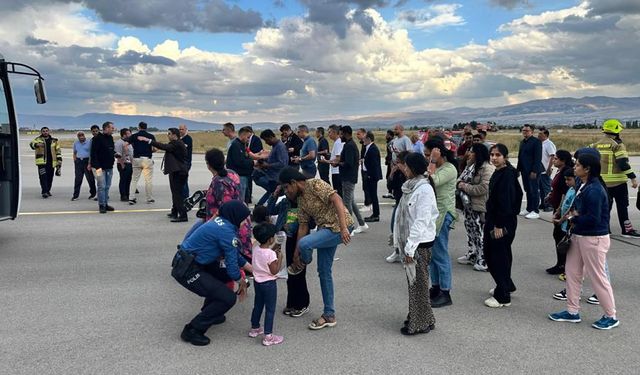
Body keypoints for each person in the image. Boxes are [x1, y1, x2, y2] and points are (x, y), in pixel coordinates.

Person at [548, 153, 619, 330]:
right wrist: (569, 216)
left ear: (587, 169)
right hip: (579, 236)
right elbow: (576, 208)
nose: (575, 167)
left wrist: (573, 218)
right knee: (572, 273)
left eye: (578, 165)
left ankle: (611, 316)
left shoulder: (594, 190)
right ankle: (572, 311)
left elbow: (593, 219)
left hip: (594, 238)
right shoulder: (583, 184)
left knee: (598, 278)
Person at [172, 201, 252, 346]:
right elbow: (232, 267)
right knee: (228, 298)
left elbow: (234, 254)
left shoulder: (222, 223)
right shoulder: (227, 232)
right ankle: (193, 330)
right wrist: (242, 281)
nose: (245, 222)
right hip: (187, 269)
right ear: (236, 217)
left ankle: (210, 311)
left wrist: (253, 269)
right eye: (244, 219)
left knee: (221, 276)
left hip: (190, 262)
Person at [281, 168, 354, 330]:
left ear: (294, 182)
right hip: (325, 230)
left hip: (339, 227)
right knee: (324, 271)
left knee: (305, 244)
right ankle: (329, 314)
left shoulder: (314, 184)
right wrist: (295, 254)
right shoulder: (301, 201)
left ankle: (305, 261)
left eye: (287, 187)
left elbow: (337, 200)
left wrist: (343, 228)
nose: (286, 192)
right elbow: (303, 226)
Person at [393, 152, 439, 335]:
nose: (403, 168)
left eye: (405, 165)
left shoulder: (424, 189)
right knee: (416, 283)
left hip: (419, 243)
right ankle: (423, 317)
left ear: (413, 168)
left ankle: (420, 323)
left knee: (418, 284)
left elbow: (421, 220)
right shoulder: (411, 186)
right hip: (412, 241)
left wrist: (410, 247)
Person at [183, 148, 253, 260]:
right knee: (190, 237)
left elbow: (227, 209)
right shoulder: (231, 174)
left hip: (223, 224)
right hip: (238, 220)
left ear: (208, 165)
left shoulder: (219, 182)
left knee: (191, 241)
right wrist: (206, 193)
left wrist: (209, 224)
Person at [483, 144, 523, 308]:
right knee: (501, 254)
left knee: (496, 256)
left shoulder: (507, 176)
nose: (494, 157)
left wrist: (499, 225)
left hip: (501, 222)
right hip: (498, 220)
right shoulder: (502, 172)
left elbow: (505, 202)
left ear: (505, 157)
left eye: (498, 155)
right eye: (492, 154)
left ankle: (503, 296)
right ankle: (506, 284)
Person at [590, 119, 640, 238]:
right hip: (618, 182)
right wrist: (633, 177)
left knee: (606, 206)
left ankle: (605, 229)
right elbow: (623, 164)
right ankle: (626, 230)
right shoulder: (617, 145)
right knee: (622, 206)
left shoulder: (596, 145)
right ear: (617, 131)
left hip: (603, 182)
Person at [265, 187, 310, 318]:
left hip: (303, 240)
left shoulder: (305, 203)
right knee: (291, 273)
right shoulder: (285, 202)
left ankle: (302, 304)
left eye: (288, 188)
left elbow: (310, 224)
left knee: (299, 273)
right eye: (284, 189)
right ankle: (291, 303)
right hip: (289, 238)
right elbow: (270, 210)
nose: (286, 191)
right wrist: (274, 194)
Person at [424, 139, 458, 308]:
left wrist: (432, 161)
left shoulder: (449, 168)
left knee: (441, 253)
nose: (427, 157)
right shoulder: (436, 167)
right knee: (433, 255)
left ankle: (445, 292)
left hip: (443, 214)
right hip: (433, 215)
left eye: (429, 154)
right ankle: (436, 287)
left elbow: (431, 181)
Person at [456, 143, 495, 272]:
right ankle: (472, 254)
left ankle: (483, 260)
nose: (469, 154)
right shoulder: (470, 166)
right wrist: (460, 184)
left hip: (479, 206)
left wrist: (465, 187)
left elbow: (484, 188)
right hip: (468, 206)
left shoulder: (487, 168)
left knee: (480, 234)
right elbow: (459, 179)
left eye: (471, 151)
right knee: (471, 232)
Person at [138, 128, 188, 222]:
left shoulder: (177, 144)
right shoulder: (175, 143)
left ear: (174, 135)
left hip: (179, 172)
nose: (167, 135)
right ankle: (174, 211)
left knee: (177, 194)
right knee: (175, 193)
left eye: (169, 134)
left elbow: (164, 146)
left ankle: (183, 215)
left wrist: (148, 140)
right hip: (176, 171)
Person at [249, 223, 284, 346]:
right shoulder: (271, 254)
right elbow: (274, 270)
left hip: (257, 282)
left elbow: (263, 257)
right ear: (270, 239)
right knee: (270, 309)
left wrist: (273, 250)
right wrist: (280, 257)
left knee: (258, 305)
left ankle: (255, 328)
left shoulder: (256, 249)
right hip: (269, 284)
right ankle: (268, 336)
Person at [545, 150, 574, 275]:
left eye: (556, 158)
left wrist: (558, 211)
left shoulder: (566, 173)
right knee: (557, 235)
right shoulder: (560, 171)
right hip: (557, 206)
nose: (554, 160)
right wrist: (550, 194)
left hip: (562, 209)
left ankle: (563, 264)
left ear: (563, 160)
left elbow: (564, 193)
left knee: (560, 236)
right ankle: (560, 263)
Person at [335, 126, 368, 235]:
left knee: (347, 203)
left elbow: (348, 163)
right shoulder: (350, 144)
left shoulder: (349, 146)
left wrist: (337, 163)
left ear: (346, 134)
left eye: (341, 134)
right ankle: (362, 223)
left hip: (348, 177)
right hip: (349, 177)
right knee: (352, 202)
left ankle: (349, 227)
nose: (340, 137)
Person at [253, 129, 289, 206]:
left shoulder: (280, 147)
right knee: (271, 193)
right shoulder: (275, 146)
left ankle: (262, 208)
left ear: (271, 137)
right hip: (272, 177)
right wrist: (264, 160)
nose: (266, 142)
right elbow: (274, 159)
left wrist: (267, 165)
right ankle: (261, 207)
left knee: (273, 194)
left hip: (276, 178)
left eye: (266, 140)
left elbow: (282, 163)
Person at [385, 151, 409, 263]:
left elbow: (409, 184)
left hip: (408, 203)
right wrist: (391, 174)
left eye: (399, 162)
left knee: (406, 229)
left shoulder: (410, 172)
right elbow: (390, 186)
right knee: (393, 226)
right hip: (399, 201)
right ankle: (397, 251)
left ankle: (407, 252)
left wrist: (404, 171)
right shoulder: (397, 172)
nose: (397, 165)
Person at [517, 124, 543, 219]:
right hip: (524, 170)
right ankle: (529, 208)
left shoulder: (536, 142)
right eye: (523, 130)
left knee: (534, 190)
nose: (525, 132)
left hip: (533, 171)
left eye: (527, 130)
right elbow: (520, 157)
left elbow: (538, 158)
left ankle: (535, 211)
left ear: (532, 132)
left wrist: (534, 171)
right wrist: (518, 169)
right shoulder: (523, 142)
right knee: (527, 190)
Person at [90, 122, 116, 214]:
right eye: (112, 128)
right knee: (101, 186)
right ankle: (101, 205)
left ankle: (106, 203)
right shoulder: (97, 139)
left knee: (107, 186)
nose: (113, 129)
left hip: (109, 167)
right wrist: (97, 167)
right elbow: (93, 154)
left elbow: (110, 150)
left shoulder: (110, 138)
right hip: (99, 168)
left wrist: (115, 155)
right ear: (106, 128)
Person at [29, 127, 62, 198]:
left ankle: (48, 190)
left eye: (46, 131)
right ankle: (44, 192)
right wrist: (36, 145)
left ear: (49, 132)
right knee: (43, 177)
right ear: (41, 132)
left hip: (51, 162)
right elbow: (31, 144)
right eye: (43, 131)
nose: (45, 132)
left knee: (50, 177)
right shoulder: (38, 139)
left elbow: (58, 151)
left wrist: (59, 160)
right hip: (41, 163)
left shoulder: (54, 141)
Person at [128, 122, 155, 205]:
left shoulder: (134, 136)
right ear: (146, 128)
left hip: (136, 158)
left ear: (138, 127)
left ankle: (131, 198)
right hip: (147, 159)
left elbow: (126, 145)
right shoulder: (151, 136)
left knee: (134, 179)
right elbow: (154, 148)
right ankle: (149, 198)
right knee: (148, 180)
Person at [226, 126, 254, 200]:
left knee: (245, 197)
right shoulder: (236, 145)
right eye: (248, 137)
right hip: (239, 176)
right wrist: (252, 162)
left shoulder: (242, 145)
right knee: (240, 198)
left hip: (244, 175)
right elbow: (239, 162)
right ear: (242, 135)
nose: (248, 140)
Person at [362, 131, 382, 222]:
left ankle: (376, 214)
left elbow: (374, 164)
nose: (363, 140)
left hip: (372, 176)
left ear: (369, 139)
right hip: (370, 175)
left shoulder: (373, 149)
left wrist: (370, 175)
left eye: (364, 138)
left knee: (373, 195)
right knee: (372, 194)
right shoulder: (368, 147)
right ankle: (375, 213)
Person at [71, 131, 96, 201]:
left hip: (87, 161)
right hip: (79, 161)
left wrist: (90, 163)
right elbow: (75, 152)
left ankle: (93, 193)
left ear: (84, 135)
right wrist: (75, 160)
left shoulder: (89, 142)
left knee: (90, 179)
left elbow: (91, 153)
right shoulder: (76, 143)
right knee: (78, 179)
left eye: (82, 135)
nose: (81, 137)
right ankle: (75, 195)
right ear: (77, 136)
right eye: (79, 135)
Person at [320, 125, 343, 197]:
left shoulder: (338, 143)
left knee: (339, 194)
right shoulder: (338, 142)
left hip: (337, 172)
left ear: (335, 132)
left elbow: (338, 159)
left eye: (329, 132)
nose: (328, 134)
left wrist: (326, 161)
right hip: (336, 171)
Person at [538, 127, 556, 212]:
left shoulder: (549, 144)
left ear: (545, 135)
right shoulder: (541, 143)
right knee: (541, 188)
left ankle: (549, 205)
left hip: (545, 169)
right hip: (540, 169)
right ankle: (543, 203)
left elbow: (552, 156)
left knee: (546, 188)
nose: (538, 135)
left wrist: (549, 168)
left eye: (540, 134)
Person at [114, 128, 133, 202]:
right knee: (123, 180)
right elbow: (118, 155)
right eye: (128, 133)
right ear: (124, 135)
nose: (130, 135)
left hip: (129, 163)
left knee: (128, 180)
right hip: (123, 163)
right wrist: (122, 164)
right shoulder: (119, 143)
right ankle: (123, 195)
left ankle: (127, 194)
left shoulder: (128, 142)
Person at [246, 126, 264, 204]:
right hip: (249, 163)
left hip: (254, 162)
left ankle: (250, 197)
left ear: (249, 132)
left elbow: (259, 151)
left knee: (250, 180)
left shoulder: (256, 140)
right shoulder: (246, 141)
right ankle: (248, 197)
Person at [179, 124, 193, 198]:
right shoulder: (180, 138)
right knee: (181, 180)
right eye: (179, 129)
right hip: (180, 162)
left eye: (182, 129)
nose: (180, 131)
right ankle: (183, 195)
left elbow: (182, 148)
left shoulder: (188, 139)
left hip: (186, 162)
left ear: (185, 129)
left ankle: (185, 196)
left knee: (184, 180)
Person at [383, 130, 395, 199]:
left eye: (387, 135)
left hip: (391, 162)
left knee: (390, 176)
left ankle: (391, 192)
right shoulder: (391, 142)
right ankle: (391, 191)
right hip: (390, 161)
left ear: (390, 135)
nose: (386, 136)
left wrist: (389, 160)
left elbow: (391, 153)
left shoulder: (391, 143)